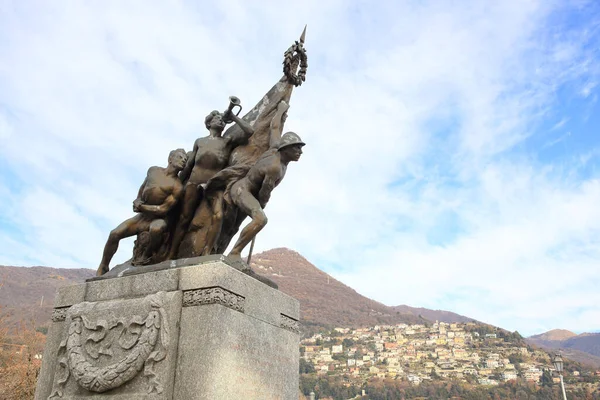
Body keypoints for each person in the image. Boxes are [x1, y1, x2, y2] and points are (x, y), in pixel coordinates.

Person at [168, 106, 254, 259]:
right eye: (216, 119)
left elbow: (249, 132)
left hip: (214, 185)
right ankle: (171, 253)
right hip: (194, 183)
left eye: (222, 119)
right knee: (184, 219)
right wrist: (179, 184)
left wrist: (233, 116)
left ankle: (207, 252)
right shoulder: (200, 141)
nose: (220, 120)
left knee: (218, 216)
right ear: (209, 124)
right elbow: (189, 166)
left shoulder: (227, 141)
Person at [227, 100, 304, 261]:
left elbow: (275, 127)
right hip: (242, 190)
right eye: (297, 147)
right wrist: (262, 203)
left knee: (233, 227)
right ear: (287, 148)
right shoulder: (275, 167)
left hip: (248, 193)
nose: (300, 151)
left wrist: (281, 110)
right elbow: (264, 192)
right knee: (260, 219)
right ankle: (234, 254)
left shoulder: (275, 147)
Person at [97, 149, 187, 276]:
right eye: (180, 157)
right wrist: (138, 200)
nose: (183, 160)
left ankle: (146, 255)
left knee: (157, 228)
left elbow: (163, 209)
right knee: (114, 234)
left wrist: (143, 207)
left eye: (185, 159)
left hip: (157, 218)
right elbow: (143, 187)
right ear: (170, 159)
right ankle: (104, 265)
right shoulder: (153, 171)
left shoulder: (177, 186)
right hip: (141, 217)